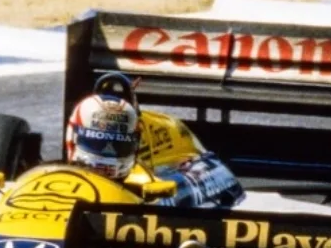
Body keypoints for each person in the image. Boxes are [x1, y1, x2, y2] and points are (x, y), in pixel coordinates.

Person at [64, 72, 246, 209]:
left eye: (119, 142)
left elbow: (219, 175)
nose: (108, 148)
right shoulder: (78, 129)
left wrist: (162, 193)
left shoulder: (166, 128)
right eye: (97, 141)